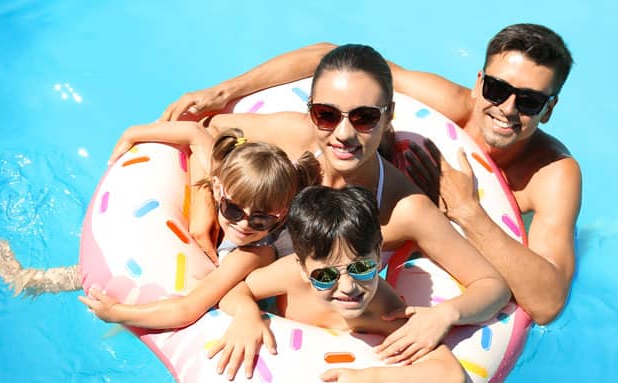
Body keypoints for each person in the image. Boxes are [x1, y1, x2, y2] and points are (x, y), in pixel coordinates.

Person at [161, 24, 580, 326]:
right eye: (496, 90)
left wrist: (468, 211)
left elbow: (545, 304)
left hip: (421, 231)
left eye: (527, 100)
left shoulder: (551, 174)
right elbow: (334, 58)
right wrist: (224, 92)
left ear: (550, 107)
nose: (506, 108)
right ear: (479, 82)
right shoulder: (442, 107)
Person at [189, 44, 509, 376]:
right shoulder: (296, 139)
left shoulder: (404, 209)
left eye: (365, 117)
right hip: (255, 283)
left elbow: (492, 285)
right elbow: (210, 129)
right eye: (327, 115)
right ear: (311, 112)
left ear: (389, 116)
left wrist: (444, 315)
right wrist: (204, 215)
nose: (343, 134)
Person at [72, 126, 321, 329]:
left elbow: (187, 309)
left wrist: (117, 313)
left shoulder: (255, 253)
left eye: (260, 220)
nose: (243, 225)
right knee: (78, 275)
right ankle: (47, 279)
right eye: (233, 210)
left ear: (282, 214)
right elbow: (196, 134)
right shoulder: (229, 185)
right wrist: (132, 134)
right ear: (217, 188)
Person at [217, 185, 468, 383]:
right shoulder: (291, 275)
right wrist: (247, 314)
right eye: (326, 276)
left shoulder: (384, 310)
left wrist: (371, 378)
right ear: (304, 268)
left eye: (361, 268)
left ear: (378, 255)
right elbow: (236, 290)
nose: (348, 287)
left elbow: (449, 373)